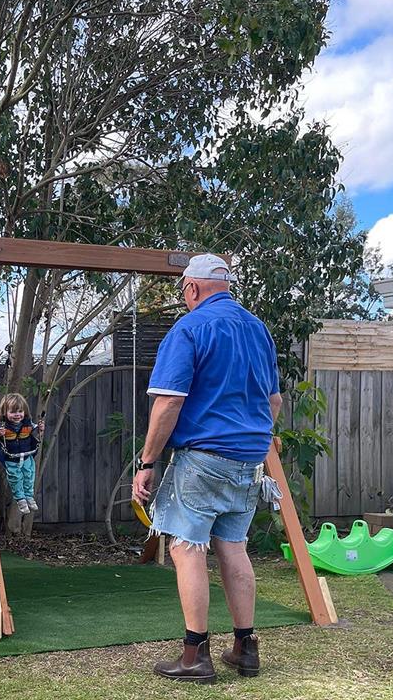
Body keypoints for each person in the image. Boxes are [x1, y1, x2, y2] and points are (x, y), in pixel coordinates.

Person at [132, 253, 283, 684]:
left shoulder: (190, 328)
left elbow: (169, 402)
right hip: (250, 461)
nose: (184, 299)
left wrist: (146, 463)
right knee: (233, 546)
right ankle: (245, 648)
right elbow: (273, 401)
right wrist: (250, 442)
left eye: (183, 292)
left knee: (186, 546)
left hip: (202, 459)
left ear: (192, 288)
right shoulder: (258, 330)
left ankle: (195, 655)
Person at [0, 393, 45, 514]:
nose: (17, 415)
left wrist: (40, 429)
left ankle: (29, 497)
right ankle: (20, 499)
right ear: (4, 413)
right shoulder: (0, 425)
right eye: (13, 412)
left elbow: (35, 432)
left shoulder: (28, 423)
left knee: (29, 477)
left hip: (27, 456)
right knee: (16, 479)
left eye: (20, 411)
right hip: (11, 458)